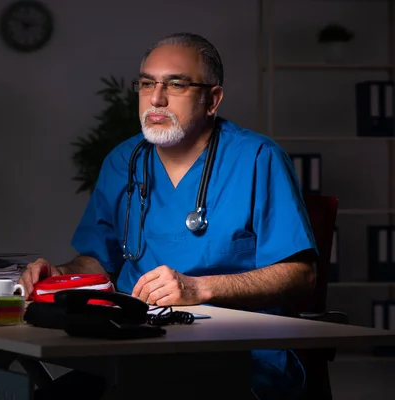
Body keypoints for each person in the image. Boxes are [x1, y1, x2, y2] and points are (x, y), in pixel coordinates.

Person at [19, 32, 317, 400]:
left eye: (175, 84)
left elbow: (301, 276)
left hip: (237, 357)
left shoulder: (257, 159)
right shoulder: (123, 161)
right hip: (133, 349)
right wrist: (64, 276)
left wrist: (198, 289)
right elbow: (100, 260)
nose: (156, 98)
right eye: (147, 83)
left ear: (213, 99)